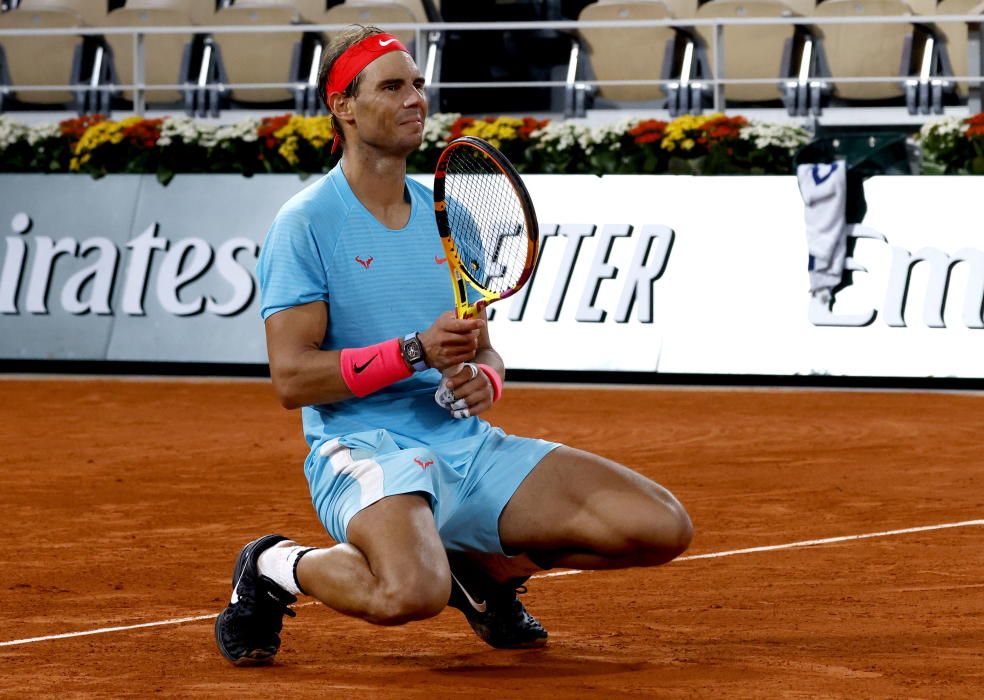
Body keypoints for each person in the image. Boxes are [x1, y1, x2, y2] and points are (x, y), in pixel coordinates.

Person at [214, 25, 693, 666]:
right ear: (343, 106)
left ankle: (486, 572)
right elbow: (292, 379)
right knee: (409, 592)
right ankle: (276, 565)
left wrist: (483, 379)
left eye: (417, 83)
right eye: (392, 86)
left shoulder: (448, 214)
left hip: (464, 447)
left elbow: (483, 350)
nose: (415, 98)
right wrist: (414, 352)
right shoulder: (305, 223)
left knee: (661, 526)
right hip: (364, 450)